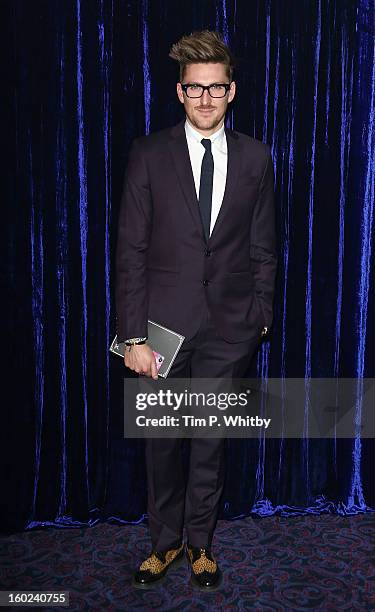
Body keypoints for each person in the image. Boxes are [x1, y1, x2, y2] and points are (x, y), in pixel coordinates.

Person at [115, 30, 277, 591]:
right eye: (195, 89)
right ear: (179, 93)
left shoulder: (256, 157)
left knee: (210, 441)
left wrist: (261, 317)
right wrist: (132, 337)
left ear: (231, 92)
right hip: (160, 330)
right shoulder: (148, 154)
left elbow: (263, 246)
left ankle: (201, 545)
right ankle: (164, 545)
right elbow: (130, 253)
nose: (206, 99)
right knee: (162, 442)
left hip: (229, 330)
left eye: (216, 88)